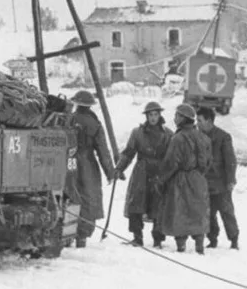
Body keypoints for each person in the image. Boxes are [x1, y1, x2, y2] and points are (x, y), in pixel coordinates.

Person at [115, 101, 174, 248]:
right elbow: (129, 152)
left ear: (160, 115)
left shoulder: (168, 134)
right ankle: (137, 237)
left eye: (155, 114)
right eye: (150, 115)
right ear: (146, 116)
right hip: (141, 171)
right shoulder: (137, 133)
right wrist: (119, 168)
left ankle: (158, 239)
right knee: (136, 204)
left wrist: (169, 174)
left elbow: (172, 156)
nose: (153, 118)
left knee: (158, 204)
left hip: (159, 172)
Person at [155, 103, 211, 254]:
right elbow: (208, 162)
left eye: (177, 116)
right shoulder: (204, 137)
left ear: (183, 118)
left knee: (179, 210)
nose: (174, 119)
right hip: (199, 178)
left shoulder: (178, 138)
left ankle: (181, 246)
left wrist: (161, 179)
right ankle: (199, 245)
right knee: (198, 211)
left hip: (180, 178)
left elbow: (171, 162)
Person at [69, 90, 117, 248]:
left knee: (70, 196)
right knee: (89, 198)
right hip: (88, 163)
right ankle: (82, 236)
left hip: (67, 161)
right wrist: (110, 172)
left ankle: (66, 233)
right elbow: (103, 150)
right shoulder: (95, 123)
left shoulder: (68, 119)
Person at [196, 107, 239, 249]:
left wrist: (231, 180)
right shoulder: (198, 136)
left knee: (226, 212)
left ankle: (234, 240)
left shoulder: (223, 137)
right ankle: (212, 239)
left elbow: (230, 160)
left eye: (200, 120)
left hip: (221, 183)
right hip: (204, 182)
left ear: (209, 121)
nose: (198, 123)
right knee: (208, 213)